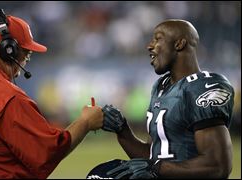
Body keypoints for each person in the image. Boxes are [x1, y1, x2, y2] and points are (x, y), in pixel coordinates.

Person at [0, 9, 103, 179]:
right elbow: (47, 153)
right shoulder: (8, 98)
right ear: (8, 50)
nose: (27, 58)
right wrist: (86, 122)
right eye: (26, 52)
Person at [95, 19, 235, 179]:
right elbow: (155, 157)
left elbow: (217, 166)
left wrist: (156, 168)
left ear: (179, 44)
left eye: (158, 38)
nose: (150, 45)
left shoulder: (202, 87)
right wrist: (122, 131)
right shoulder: (161, 86)